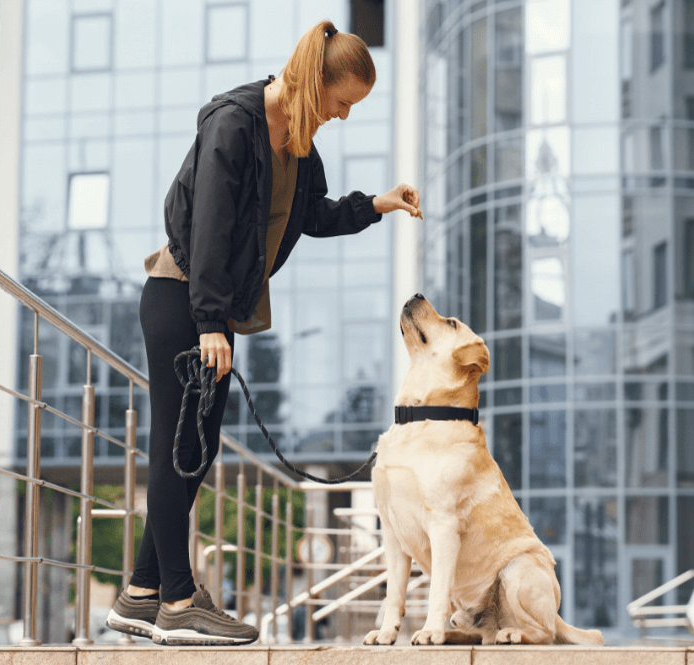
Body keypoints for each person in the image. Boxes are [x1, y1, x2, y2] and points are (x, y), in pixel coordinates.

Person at [105, 20, 422, 646]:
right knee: (180, 446)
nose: (344, 116)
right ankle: (175, 601)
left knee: (196, 449)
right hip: (181, 300)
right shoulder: (235, 124)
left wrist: (379, 203)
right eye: (342, 102)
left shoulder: (298, 144)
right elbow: (207, 229)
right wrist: (210, 322)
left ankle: (139, 593)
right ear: (315, 82)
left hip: (210, 312)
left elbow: (314, 216)